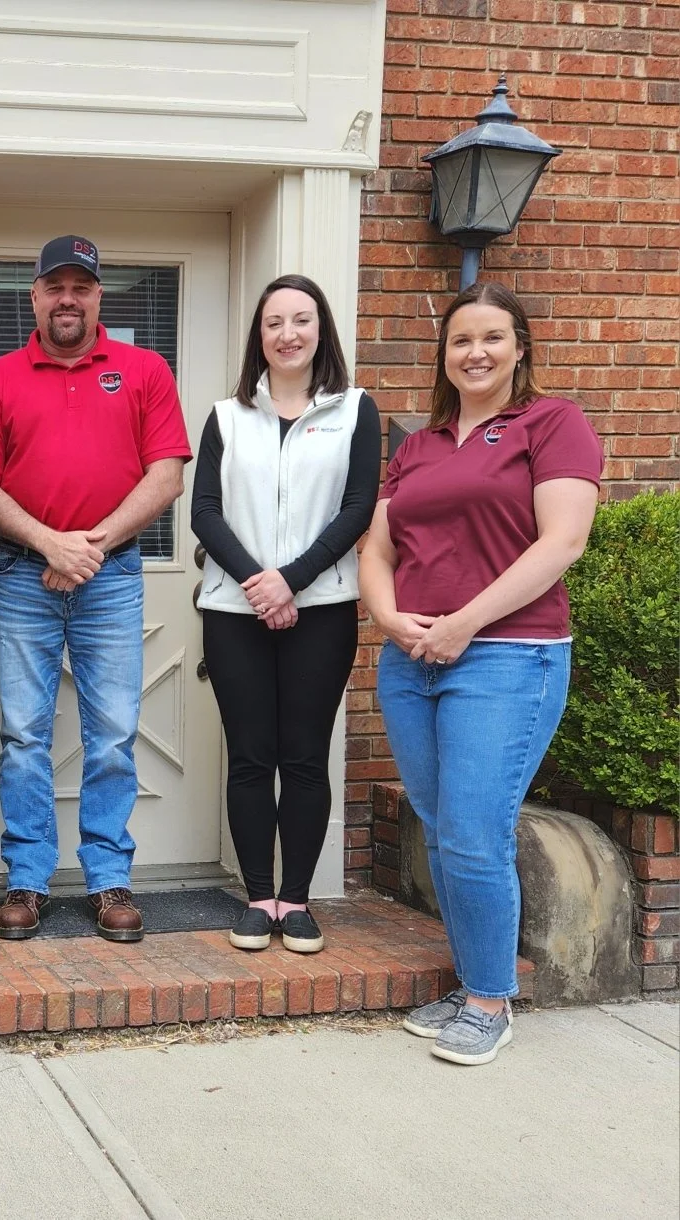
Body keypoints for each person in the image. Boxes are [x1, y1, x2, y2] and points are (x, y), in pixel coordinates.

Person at [360, 281, 601, 1066]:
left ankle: (491, 1002)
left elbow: (560, 543)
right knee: (442, 830)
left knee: (472, 829)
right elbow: (377, 550)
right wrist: (391, 620)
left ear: (519, 347)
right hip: (411, 660)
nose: (475, 352)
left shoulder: (551, 423)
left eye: (491, 338)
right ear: (444, 353)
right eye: (461, 340)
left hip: (506, 657)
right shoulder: (418, 444)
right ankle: (472, 986)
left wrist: (465, 622)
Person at [0, 236, 191, 942]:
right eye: (53, 287)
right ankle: (28, 880)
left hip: (111, 577)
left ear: (99, 296)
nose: (67, 299)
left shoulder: (143, 369)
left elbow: (165, 475)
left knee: (110, 737)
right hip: (20, 575)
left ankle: (107, 878)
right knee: (23, 735)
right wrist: (48, 543)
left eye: (81, 287)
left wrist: (87, 547)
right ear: (32, 295)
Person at [190, 274, 380, 956]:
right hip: (232, 609)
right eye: (274, 323)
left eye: (301, 320)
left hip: (323, 607)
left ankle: (295, 901)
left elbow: (357, 507)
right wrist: (255, 582)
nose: (288, 334)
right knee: (248, 757)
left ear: (320, 331)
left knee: (302, 757)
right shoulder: (225, 416)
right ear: (258, 337)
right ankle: (256, 898)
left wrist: (290, 581)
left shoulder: (355, 410)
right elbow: (203, 513)